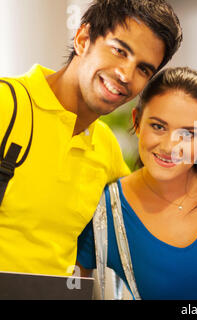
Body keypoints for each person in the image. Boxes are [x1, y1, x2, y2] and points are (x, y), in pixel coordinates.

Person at [0, 0, 182, 276]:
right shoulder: (6, 105)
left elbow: (148, 228)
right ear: (83, 39)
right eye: (119, 51)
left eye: (143, 69)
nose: (125, 75)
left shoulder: (106, 148)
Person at [76, 67, 197, 300]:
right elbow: (72, 286)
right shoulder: (106, 209)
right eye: (158, 126)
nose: (169, 146)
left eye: (188, 133)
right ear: (136, 122)